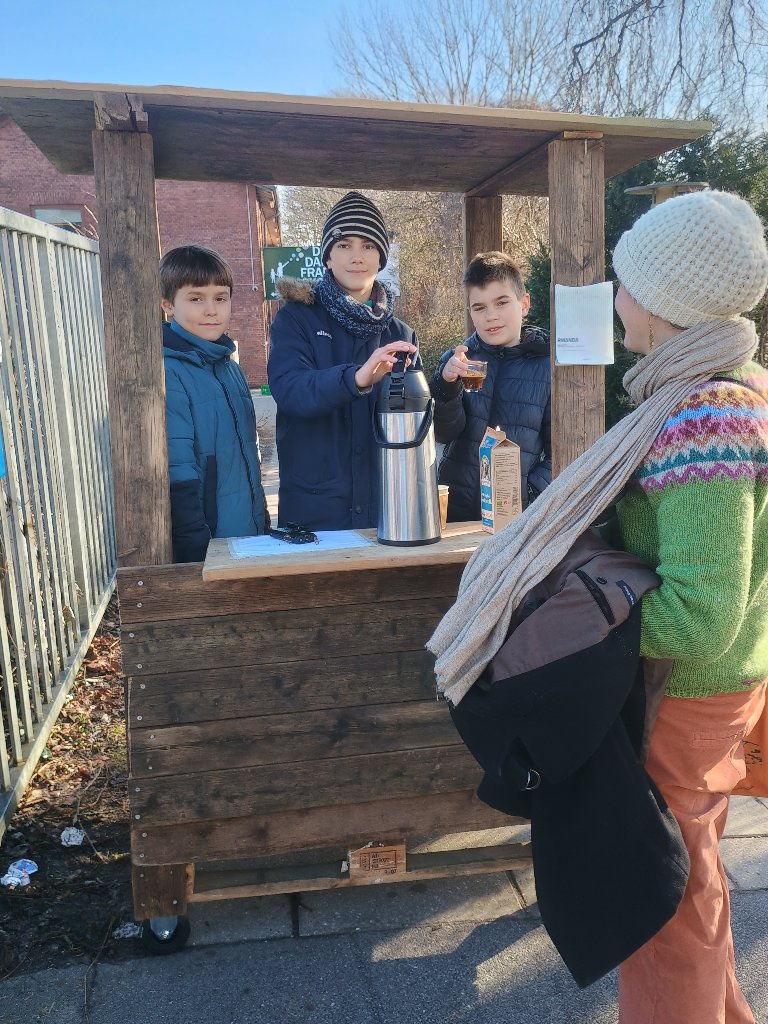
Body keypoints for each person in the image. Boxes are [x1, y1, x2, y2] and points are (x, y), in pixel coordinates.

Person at [428, 191, 768, 1021]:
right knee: (689, 884)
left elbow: (701, 612)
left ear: (663, 301)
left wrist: (572, 636)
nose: (616, 298)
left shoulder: (704, 416)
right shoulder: (735, 389)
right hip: (719, 684)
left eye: (625, 282)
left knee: (663, 908)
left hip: (685, 693)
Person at [268, 191, 418, 530]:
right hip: (314, 510)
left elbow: (417, 421)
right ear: (328, 257)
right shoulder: (295, 318)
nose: (356, 256)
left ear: (381, 257)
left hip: (386, 506)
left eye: (368, 245)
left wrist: (447, 388)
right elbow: (290, 390)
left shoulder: (401, 334)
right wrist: (356, 379)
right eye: (344, 245)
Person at [160, 245, 268, 562]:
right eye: (196, 299)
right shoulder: (167, 371)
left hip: (247, 535)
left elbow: (248, 454)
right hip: (208, 543)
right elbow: (177, 468)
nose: (211, 310)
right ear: (168, 304)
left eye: (220, 298)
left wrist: (261, 519)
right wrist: (194, 545)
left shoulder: (230, 368)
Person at [430, 251, 551, 521]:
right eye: (479, 307)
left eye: (501, 303)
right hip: (456, 513)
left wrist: (529, 492)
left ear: (524, 304)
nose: (491, 316)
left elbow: (561, 451)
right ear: (471, 313)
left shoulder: (547, 368)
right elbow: (443, 435)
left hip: (517, 518)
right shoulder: (457, 361)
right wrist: (446, 386)